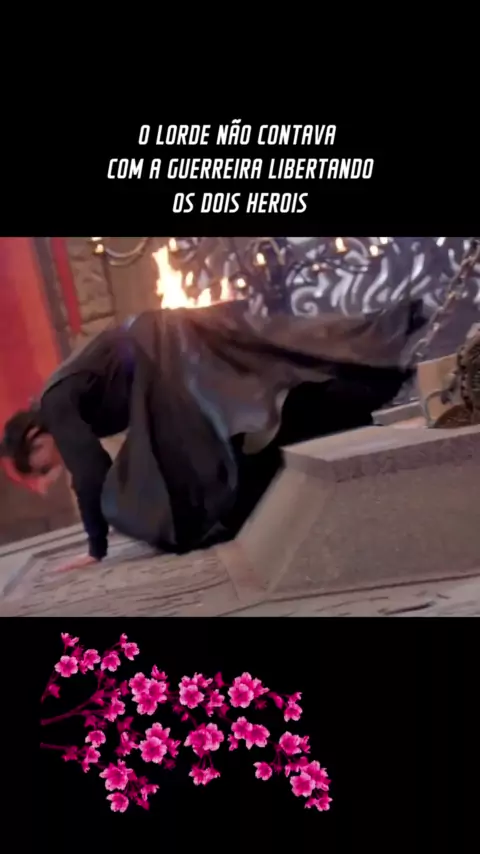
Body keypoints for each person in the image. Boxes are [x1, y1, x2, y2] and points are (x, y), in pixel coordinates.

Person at [0, 300, 426, 572]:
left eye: (46, 464)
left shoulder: (55, 402)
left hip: (163, 352)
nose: (57, 465)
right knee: (276, 363)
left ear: (36, 435)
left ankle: (381, 354)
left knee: (163, 502)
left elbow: (90, 470)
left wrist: (95, 548)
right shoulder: (63, 395)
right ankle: (366, 377)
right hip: (167, 345)